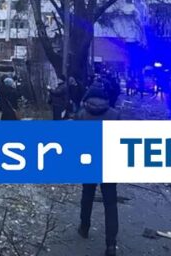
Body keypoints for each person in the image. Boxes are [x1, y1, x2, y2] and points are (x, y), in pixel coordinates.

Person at [77, 79, 120, 256]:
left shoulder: (81, 114)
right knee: (110, 203)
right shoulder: (115, 114)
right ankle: (111, 245)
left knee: (87, 195)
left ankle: (84, 227)